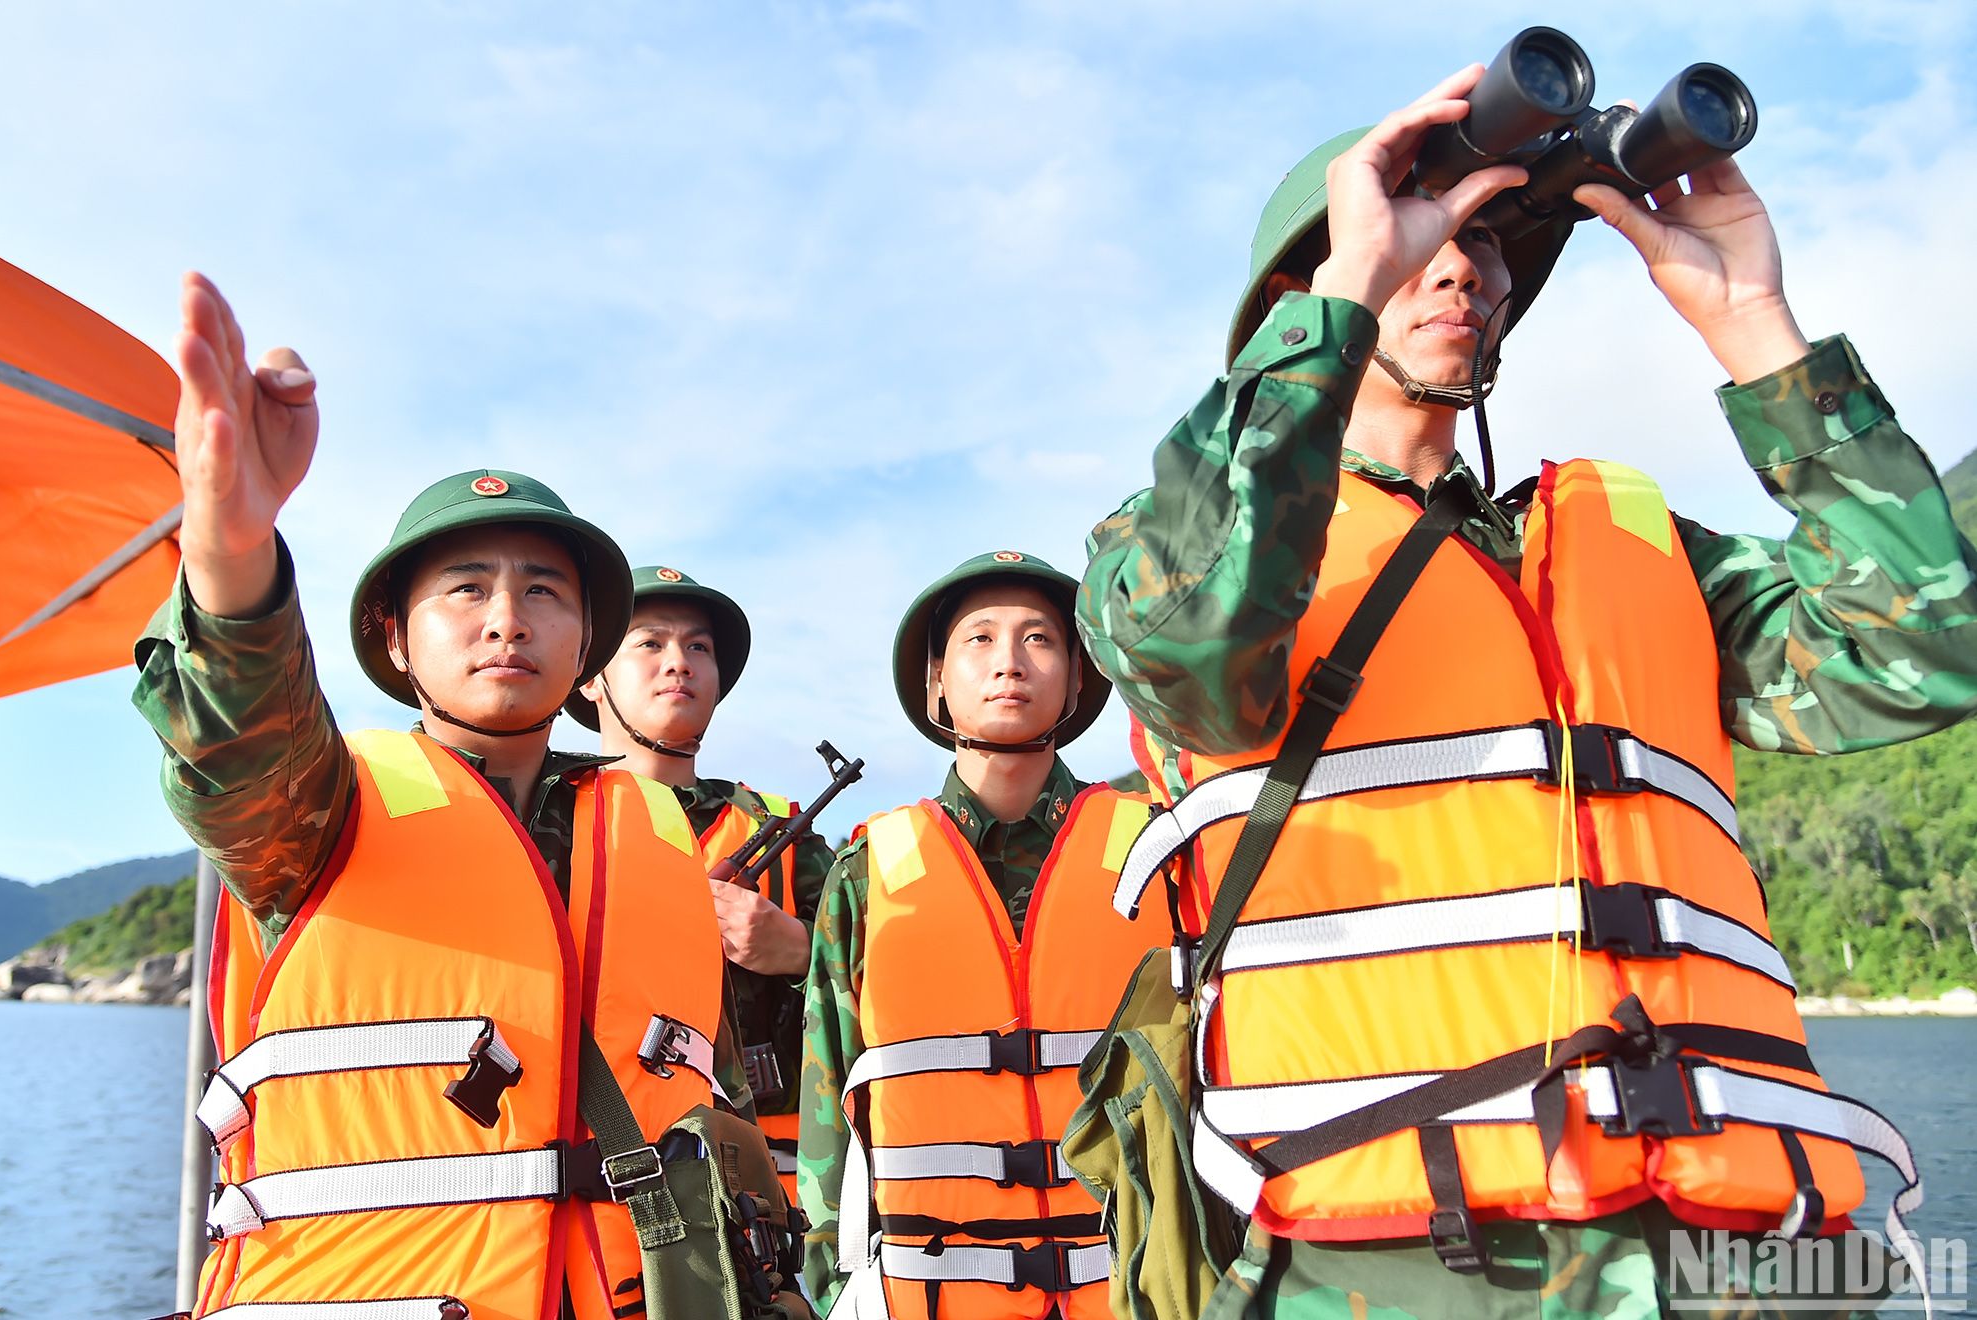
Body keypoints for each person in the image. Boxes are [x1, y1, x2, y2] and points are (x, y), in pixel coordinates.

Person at [1072, 66, 1977, 1320]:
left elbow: (1929, 648)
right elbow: (1195, 650)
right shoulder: (1172, 553)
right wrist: (1346, 285)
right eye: (1423, 235)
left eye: (1492, 241)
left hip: (1741, 1264)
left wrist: (1754, 327)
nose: (1461, 266)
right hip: (1393, 1260)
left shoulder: (1633, 543)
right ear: (1300, 300)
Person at [141, 273, 807, 1320]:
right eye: (466, 589)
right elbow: (237, 734)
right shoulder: (315, 809)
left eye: (544, 591)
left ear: (582, 643)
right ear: (396, 639)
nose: (508, 619)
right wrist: (231, 555)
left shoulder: (658, 829)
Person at [798, 552, 1173, 1318]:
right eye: (979, 639)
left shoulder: (1152, 846)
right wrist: (832, 1283)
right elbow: (830, 1100)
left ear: (1076, 680)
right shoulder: (869, 868)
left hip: (1136, 1292)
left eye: (1040, 639)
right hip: (928, 1295)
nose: (1008, 662)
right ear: (937, 680)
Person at [566, 564, 832, 1198]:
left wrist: (798, 949)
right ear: (593, 678)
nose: (678, 662)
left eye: (698, 648)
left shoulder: (780, 828)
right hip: (596, 1178)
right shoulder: (549, 819)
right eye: (650, 643)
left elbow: (902, 979)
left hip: (768, 1184)